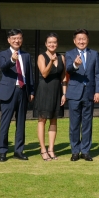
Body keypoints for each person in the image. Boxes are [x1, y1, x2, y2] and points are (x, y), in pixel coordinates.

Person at [0, 29, 34, 162]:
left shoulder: (27, 55)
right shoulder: (3, 54)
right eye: (14, 38)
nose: (16, 40)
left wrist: (32, 91)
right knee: (5, 123)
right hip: (8, 92)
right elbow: (4, 67)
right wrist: (12, 59)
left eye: (19, 38)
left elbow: (29, 75)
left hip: (22, 91)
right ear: (9, 40)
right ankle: (2, 151)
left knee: (21, 123)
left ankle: (19, 150)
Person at [65, 29, 99, 161]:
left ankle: (85, 151)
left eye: (84, 39)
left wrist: (98, 91)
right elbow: (68, 69)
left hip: (89, 93)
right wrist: (75, 64)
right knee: (74, 124)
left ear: (88, 40)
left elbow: (98, 74)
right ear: (74, 41)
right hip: (74, 93)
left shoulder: (94, 54)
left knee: (87, 123)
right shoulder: (69, 54)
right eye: (79, 39)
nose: (81, 41)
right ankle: (75, 151)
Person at [34, 33, 67, 161]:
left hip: (57, 90)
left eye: (54, 42)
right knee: (42, 119)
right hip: (44, 90)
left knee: (54, 119)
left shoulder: (62, 57)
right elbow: (44, 73)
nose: (52, 44)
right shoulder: (41, 57)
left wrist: (64, 93)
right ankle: (43, 149)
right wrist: (51, 61)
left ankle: (51, 149)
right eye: (49, 42)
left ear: (57, 44)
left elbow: (63, 76)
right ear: (46, 44)